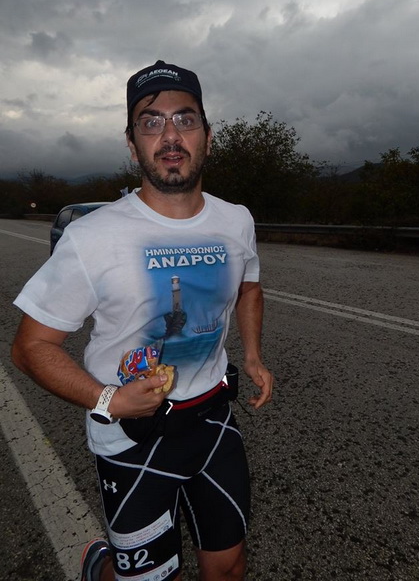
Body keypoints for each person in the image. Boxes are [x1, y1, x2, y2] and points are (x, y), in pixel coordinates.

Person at [11, 59, 273, 581]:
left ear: (207, 137)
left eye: (185, 119)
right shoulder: (92, 237)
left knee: (228, 568)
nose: (170, 135)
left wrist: (251, 355)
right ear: (132, 145)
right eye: (151, 122)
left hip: (213, 421)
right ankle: (101, 566)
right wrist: (107, 399)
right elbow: (30, 346)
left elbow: (249, 286)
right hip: (131, 437)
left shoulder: (236, 220)